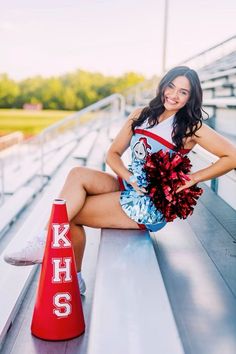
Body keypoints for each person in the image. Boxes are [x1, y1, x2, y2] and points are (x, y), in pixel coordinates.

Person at [4, 66, 236, 295]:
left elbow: (231, 157)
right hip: (131, 183)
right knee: (77, 174)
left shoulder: (190, 127)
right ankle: (51, 248)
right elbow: (112, 154)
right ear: (163, 84)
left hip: (149, 203)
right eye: (171, 86)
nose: (174, 95)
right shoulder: (141, 114)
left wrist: (192, 178)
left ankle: (67, 269)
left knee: (70, 211)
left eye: (183, 92)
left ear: (190, 97)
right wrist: (130, 177)